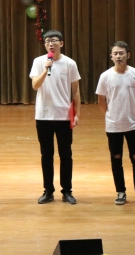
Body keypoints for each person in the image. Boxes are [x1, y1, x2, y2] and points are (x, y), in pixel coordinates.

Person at [29, 30, 81, 204]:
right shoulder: (39, 62)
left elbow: (76, 90)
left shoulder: (70, 63)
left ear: (61, 43)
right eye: (47, 41)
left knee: (66, 154)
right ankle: (48, 190)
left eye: (54, 40)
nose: (50, 44)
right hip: (43, 115)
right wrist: (46, 70)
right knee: (46, 155)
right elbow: (35, 85)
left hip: (63, 115)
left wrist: (77, 113)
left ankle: (67, 191)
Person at [96, 41, 135, 205]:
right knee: (116, 158)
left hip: (133, 124)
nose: (118, 56)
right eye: (115, 53)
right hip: (113, 126)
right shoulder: (105, 76)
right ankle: (121, 192)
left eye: (121, 53)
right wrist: (110, 115)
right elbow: (101, 100)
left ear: (128, 55)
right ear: (111, 57)